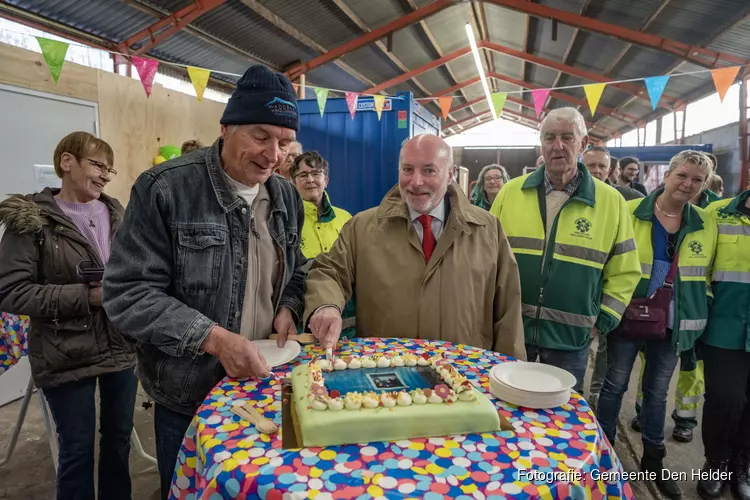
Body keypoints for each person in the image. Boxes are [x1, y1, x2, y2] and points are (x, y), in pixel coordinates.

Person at [102, 65, 307, 499]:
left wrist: (289, 304)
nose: (272, 155)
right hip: (191, 393)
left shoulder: (286, 196)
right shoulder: (166, 188)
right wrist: (214, 339)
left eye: (284, 142)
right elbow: (127, 293)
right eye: (260, 135)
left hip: (268, 384)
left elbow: (296, 267)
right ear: (226, 127)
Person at [0, 132, 137, 500]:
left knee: (118, 441)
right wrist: (86, 296)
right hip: (65, 351)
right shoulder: (31, 220)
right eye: (97, 164)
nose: (106, 175)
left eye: (110, 169)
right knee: (77, 451)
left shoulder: (118, 213)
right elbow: (11, 291)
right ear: (66, 162)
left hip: (120, 347)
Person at [304, 134, 526, 360]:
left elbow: (508, 311)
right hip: (387, 375)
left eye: (429, 170)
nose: (416, 182)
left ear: (451, 174)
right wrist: (326, 305)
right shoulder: (362, 228)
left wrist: (512, 375)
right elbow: (328, 271)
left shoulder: (487, 230)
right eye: (408, 169)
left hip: (465, 375)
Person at [490, 107, 641, 393]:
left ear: (582, 144)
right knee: (505, 410)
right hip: (512, 332)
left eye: (567, 137)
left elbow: (625, 270)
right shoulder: (511, 192)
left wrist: (602, 321)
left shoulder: (610, 201)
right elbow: (486, 258)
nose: (557, 146)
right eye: (549, 138)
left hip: (570, 339)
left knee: (559, 420)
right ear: (541, 144)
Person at [596, 150, 716, 500]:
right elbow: (609, 259)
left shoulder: (706, 223)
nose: (688, 183)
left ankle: (653, 458)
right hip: (627, 314)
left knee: (657, 392)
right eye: (682, 175)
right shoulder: (630, 212)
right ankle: (601, 451)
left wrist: (699, 308)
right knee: (614, 384)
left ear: (704, 184)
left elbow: (706, 273)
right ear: (667, 175)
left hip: (672, 324)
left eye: (697, 179)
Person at [579, 145, 643, 409]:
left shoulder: (627, 198)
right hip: (581, 289)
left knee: (605, 346)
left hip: (610, 286)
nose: (595, 170)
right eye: (590, 165)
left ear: (611, 171)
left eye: (601, 166)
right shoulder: (569, 196)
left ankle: (595, 393)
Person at [697, 189, 750, 500]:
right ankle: (716, 461)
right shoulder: (717, 213)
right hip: (725, 325)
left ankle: (741, 463)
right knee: (725, 399)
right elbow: (698, 266)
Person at [290, 151, 356, 338]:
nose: (310, 179)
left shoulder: (346, 218)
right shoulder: (288, 221)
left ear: (325, 180)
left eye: (316, 174)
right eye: (303, 175)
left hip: (346, 316)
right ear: (294, 182)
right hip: (302, 315)